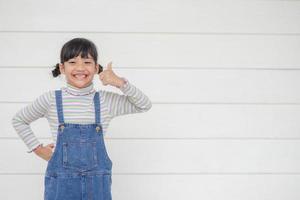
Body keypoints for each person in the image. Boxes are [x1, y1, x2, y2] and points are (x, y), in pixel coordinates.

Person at [11, 37, 152, 200]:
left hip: (97, 187)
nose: (80, 68)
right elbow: (19, 120)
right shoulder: (51, 99)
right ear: (62, 68)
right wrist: (38, 149)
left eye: (87, 62)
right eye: (72, 62)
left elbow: (144, 105)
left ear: (96, 67)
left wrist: (120, 83)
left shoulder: (105, 101)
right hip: (61, 187)